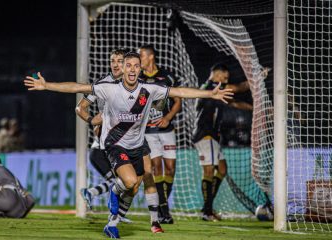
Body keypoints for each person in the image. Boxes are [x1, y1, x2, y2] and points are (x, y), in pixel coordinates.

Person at [24, 52, 233, 238]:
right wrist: (47, 85)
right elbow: (77, 87)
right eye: (128, 65)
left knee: (133, 188)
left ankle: (112, 223)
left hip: (138, 145)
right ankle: (115, 196)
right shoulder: (109, 88)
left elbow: (180, 92)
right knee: (130, 181)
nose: (132, 69)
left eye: (135, 66)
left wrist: (210, 93)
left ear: (140, 68)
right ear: (122, 69)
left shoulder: (149, 89)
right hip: (115, 144)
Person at [76, 49, 134, 224]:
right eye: (112, 61)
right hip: (103, 147)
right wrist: (93, 120)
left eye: (119, 61)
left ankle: (96, 196)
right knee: (125, 181)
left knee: (130, 181)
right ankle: (115, 215)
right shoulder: (102, 84)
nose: (115, 64)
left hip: (125, 143)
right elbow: (80, 107)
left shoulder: (134, 85)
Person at [192, 63, 253, 222]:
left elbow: (233, 103)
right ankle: (207, 211)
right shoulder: (211, 86)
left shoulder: (214, 93)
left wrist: (253, 108)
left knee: (222, 168)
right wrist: (256, 79)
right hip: (205, 135)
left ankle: (208, 207)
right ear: (217, 75)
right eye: (224, 77)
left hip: (212, 137)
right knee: (208, 172)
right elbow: (238, 88)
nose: (226, 80)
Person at [139, 45, 181, 224]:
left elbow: (178, 100)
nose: (138, 59)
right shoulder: (138, 79)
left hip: (167, 130)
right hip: (148, 132)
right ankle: (164, 210)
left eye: (141, 56)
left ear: (150, 57)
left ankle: (163, 204)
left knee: (170, 168)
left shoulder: (167, 76)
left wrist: (168, 117)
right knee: (156, 166)